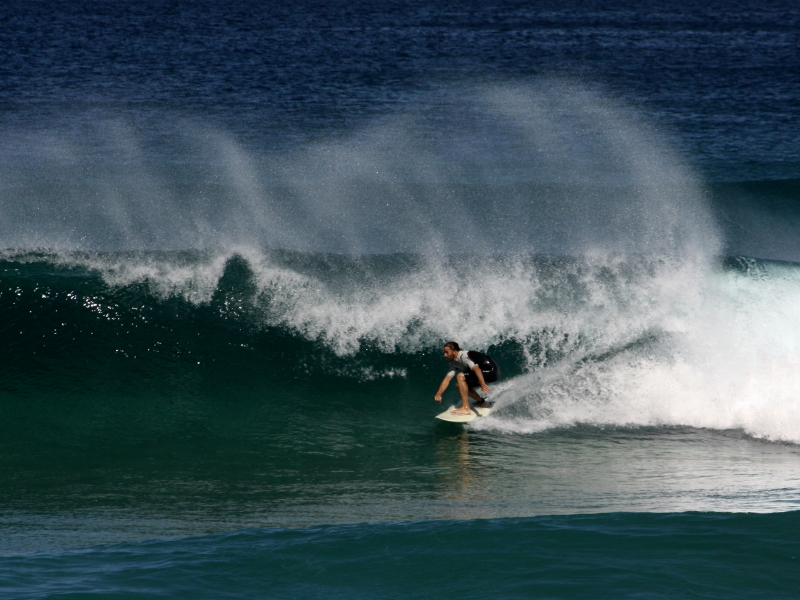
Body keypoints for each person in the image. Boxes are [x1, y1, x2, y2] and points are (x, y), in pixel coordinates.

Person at [434, 341, 500, 415]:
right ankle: (482, 402)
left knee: (460, 376)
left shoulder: (464, 356)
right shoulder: (454, 363)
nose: (444, 355)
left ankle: (465, 408)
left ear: (454, 351)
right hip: (485, 373)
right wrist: (438, 394)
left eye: (446, 352)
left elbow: (476, 369)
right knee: (460, 385)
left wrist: (482, 384)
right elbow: (446, 380)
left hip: (491, 371)